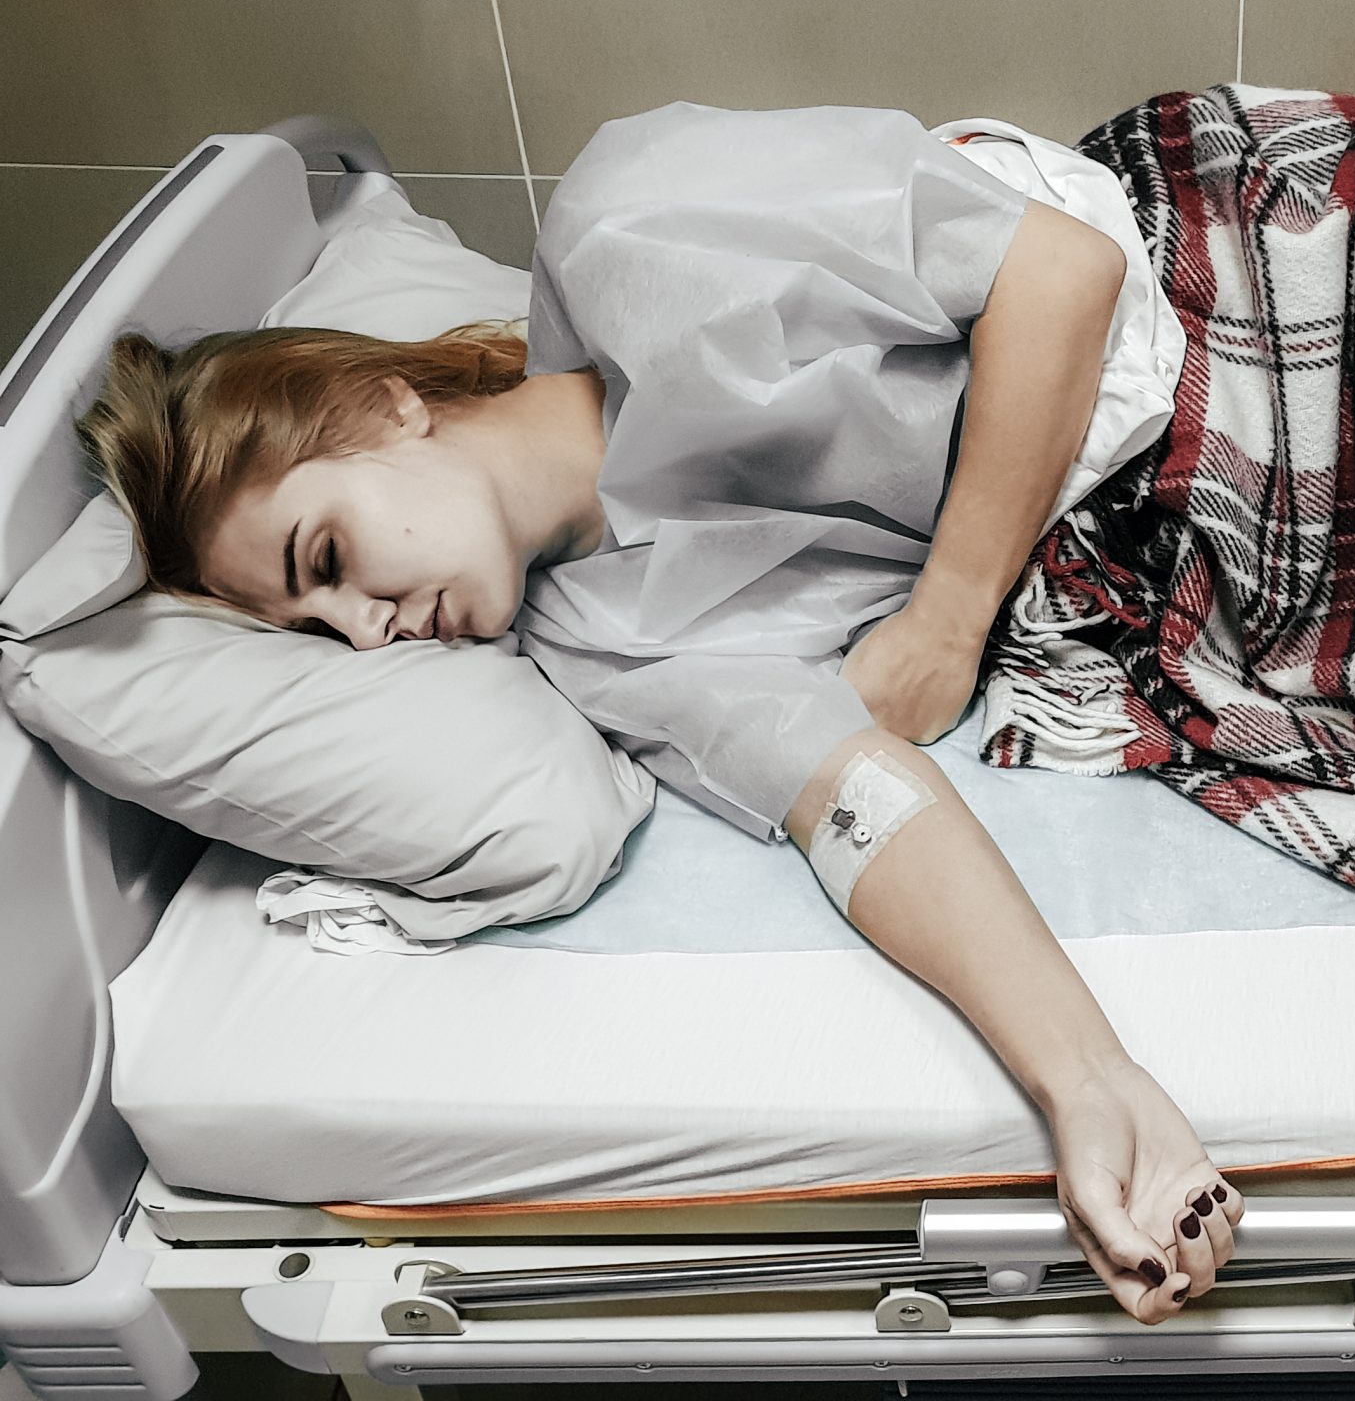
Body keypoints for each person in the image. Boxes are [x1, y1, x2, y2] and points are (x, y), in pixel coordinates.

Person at [73, 102, 1235, 1324]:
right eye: (319, 630)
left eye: (326, 559)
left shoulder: (628, 224)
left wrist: (948, 617)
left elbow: (1059, 268)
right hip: (1164, 522)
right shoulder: (593, 643)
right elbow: (853, 802)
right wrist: (1089, 1083)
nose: (366, 631)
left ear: (382, 407)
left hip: (1208, 284)